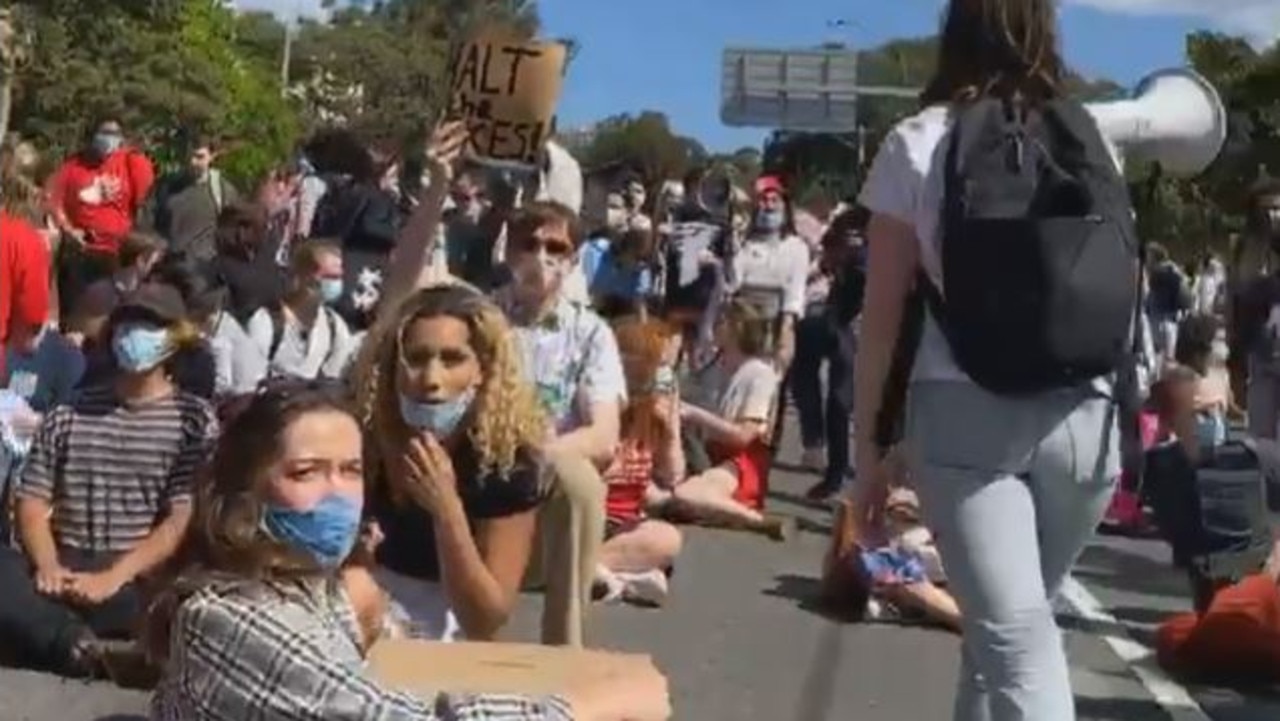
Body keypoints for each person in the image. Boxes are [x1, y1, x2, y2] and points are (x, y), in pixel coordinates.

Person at [851, 1, 1129, 719]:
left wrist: (869, 453)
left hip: (965, 421)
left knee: (1015, 646)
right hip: (1088, 423)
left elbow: (881, 321)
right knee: (998, 634)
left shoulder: (917, 141)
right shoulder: (1088, 136)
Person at [146, 383, 670, 721]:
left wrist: (566, 678)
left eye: (350, 471)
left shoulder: (319, 586)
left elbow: (434, 661)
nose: (336, 492)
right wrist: (580, 706)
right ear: (245, 493)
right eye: (306, 472)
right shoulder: (229, 616)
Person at [0, 283, 216, 678]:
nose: (133, 335)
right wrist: (47, 564)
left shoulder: (193, 420)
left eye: (148, 325)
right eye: (126, 324)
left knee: (197, 597)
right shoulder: (69, 411)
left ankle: (60, 641)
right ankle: (79, 647)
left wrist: (113, 578)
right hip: (63, 570)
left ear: (174, 337)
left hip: (138, 576)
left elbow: (179, 517)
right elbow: (31, 498)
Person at [355, 285, 549, 641]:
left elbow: (485, 619)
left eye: (451, 359)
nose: (431, 380)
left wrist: (446, 509)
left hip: (451, 625)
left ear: (482, 369)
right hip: (364, 605)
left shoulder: (506, 462)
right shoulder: (362, 441)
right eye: (415, 358)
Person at [658, 299, 788, 540]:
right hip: (706, 452)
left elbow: (744, 436)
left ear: (736, 328)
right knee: (657, 495)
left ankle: (758, 521)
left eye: (721, 322)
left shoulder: (759, 374)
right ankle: (715, 510)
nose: (715, 327)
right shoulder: (715, 364)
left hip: (742, 461)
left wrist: (694, 414)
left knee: (686, 495)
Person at [594, 316, 685, 606]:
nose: (663, 382)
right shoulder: (601, 408)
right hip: (590, 518)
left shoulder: (655, 417)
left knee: (667, 538)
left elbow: (673, 478)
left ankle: (604, 575)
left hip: (625, 525)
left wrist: (671, 432)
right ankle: (604, 576)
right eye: (658, 371)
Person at [47, 117, 156, 306]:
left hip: (117, 255)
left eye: (115, 134)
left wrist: (136, 247)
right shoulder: (73, 165)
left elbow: (146, 208)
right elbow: (53, 200)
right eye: (104, 132)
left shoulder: (132, 163)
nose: (109, 139)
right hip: (81, 253)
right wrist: (68, 229)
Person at [246, 240, 358, 384]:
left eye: (339, 277)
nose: (335, 283)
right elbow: (249, 381)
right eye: (328, 277)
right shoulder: (267, 322)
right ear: (305, 276)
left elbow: (334, 380)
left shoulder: (334, 326)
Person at [154, 136, 241, 261]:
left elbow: (230, 231)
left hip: (204, 267)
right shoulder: (169, 186)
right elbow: (155, 224)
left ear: (212, 157)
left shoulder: (223, 192)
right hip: (171, 262)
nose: (192, 162)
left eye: (199, 157)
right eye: (190, 156)